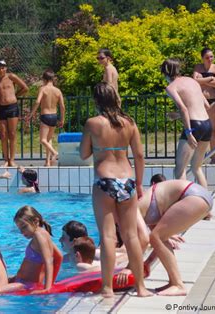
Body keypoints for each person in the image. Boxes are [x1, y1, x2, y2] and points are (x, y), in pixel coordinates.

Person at [80, 82, 151, 298]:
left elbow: (84, 154)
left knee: (108, 237)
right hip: (126, 180)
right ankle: (141, 287)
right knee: (131, 235)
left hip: (104, 181)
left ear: (96, 101)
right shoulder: (129, 123)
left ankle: (107, 288)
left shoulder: (93, 123)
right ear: (115, 98)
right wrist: (139, 184)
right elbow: (139, 155)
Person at [134, 177, 213, 296]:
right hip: (198, 195)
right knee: (159, 237)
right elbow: (159, 245)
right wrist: (148, 262)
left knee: (157, 237)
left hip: (193, 196)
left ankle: (178, 285)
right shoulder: (142, 210)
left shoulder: (132, 212)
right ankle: (173, 282)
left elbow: (142, 242)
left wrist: (130, 268)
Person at [0, 206, 62, 294]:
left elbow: (49, 261)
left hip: (25, 284)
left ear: (36, 221)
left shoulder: (39, 235)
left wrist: (47, 288)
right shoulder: (43, 235)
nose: (22, 232)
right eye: (19, 229)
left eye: (24, 227)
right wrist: (51, 283)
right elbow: (59, 257)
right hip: (20, 280)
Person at [162, 58, 212, 188]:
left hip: (194, 127)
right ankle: (206, 203)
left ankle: (184, 202)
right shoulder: (192, 81)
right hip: (207, 124)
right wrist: (178, 115)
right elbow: (206, 105)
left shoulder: (171, 87)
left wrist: (189, 133)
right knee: (196, 168)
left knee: (179, 170)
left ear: (165, 73)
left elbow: (184, 108)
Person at [0, 59, 29, 167]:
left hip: (12, 107)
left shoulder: (11, 77)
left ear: (6, 68)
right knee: (3, 135)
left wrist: (15, 96)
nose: (1, 70)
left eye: (3, 67)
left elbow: (25, 88)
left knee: (12, 134)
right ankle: (5, 160)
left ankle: (12, 160)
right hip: (2, 108)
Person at [25, 69, 65, 166]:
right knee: (49, 139)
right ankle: (47, 162)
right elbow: (62, 107)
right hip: (54, 116)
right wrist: (62, 119)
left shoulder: (43, 89)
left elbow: (38, 102)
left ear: (44, 79)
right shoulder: (58, 91)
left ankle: (54, 153)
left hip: (46, 116)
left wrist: (31, 114)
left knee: (43, 140)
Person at [193, 48, 215, 164]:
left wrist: (203, 80)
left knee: (213, 130)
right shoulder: (198, 67)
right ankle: (199, 157)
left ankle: (213, 157)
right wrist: (210, 78)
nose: (210, 59)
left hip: (213, 101)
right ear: (202, 58)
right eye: (207, 57)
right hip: (200, 101)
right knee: (200, 129)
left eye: (211, 56)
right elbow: (194, 81)